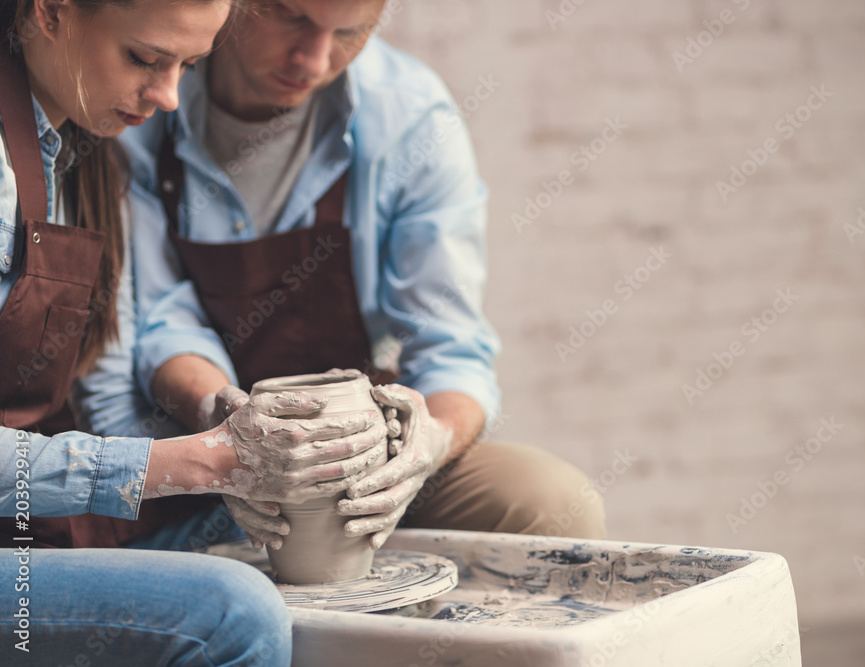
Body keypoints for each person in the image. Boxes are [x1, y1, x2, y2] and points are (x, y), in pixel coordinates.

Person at [79, 0, 607, 553]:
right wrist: (229, 424)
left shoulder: (410, 117)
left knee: (551, 505)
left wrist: (422, 449)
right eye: (292, 17)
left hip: (362, 460)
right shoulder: (145, 95)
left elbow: (452, 351)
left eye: (350, 31)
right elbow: (156, 322)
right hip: (201, 446)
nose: (314, 58)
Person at [0, 1, 385, 664]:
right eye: (146, 60)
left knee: (251, 527)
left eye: (189, 65)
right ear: (52, 12)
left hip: (31, 518)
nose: (170, 96)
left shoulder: (82, 143)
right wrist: (198, 462)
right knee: (234, 612)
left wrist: (228, 423)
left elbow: (123, 358)